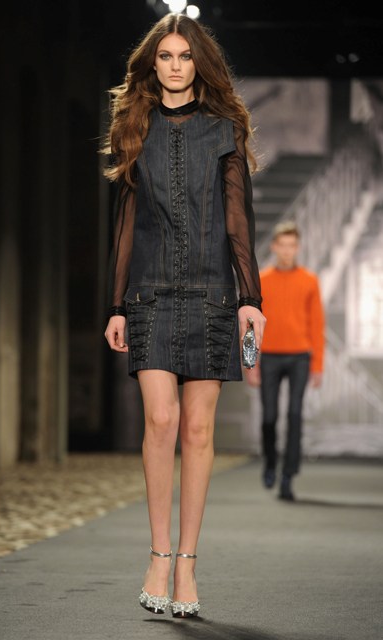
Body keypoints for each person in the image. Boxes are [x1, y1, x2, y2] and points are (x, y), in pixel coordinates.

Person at [102, 13, 266, 618]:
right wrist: (117, 304)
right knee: (162, 420)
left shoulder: (224, 129)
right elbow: (126, 221)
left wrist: (250, 298)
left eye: (185, 56)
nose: (175, 66)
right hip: (149, 294)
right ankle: (158, 555)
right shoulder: (134, 125)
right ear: (153, 63)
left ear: (200, 63)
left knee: (198, 431)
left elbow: (238, 217)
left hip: (212, 295)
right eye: (165, 56)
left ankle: (188, 564)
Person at [244, 221, 325, 502]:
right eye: (283, 245)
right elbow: (251, 324)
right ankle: (270, 462)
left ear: (297, 247)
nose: (287, 250)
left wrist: (318, 365)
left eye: (292, 245)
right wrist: (250, 363)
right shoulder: (262, 280)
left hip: (300, 356)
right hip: (269, 356)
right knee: (269, 417)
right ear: (274, 247)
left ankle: (288, 475)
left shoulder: (309, 281)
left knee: (294, 414)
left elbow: (317, 325)